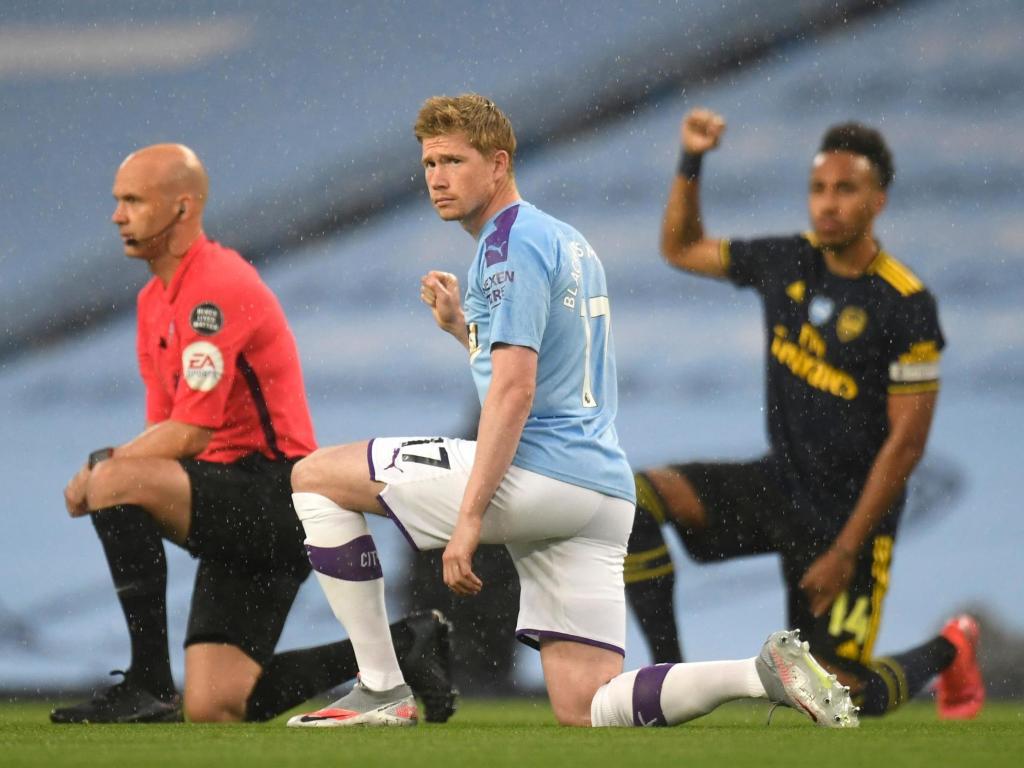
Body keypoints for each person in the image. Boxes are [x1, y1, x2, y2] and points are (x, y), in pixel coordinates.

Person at [285, 94, 856, 729]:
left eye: (454, 161)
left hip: (540, 474)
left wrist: (468, 519)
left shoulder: (506, 246)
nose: (437, 179)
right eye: (429, 164)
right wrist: (462, 329)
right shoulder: (566, 240)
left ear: (498, 164)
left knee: (315, 478)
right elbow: (546, 363)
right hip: (600, 492)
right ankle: (759, 673)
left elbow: (515, 391)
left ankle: (381, 686)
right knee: (587, 704)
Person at [52, 144, 456, 725]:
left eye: (134, 201)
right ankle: (405, 645)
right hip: (234, 507)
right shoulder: (152, 301)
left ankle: (147, 684)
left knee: (115, 481)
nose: (118, 215)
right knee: (216, 705)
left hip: (274, 494)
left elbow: (191, 432)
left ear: (182, 207)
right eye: (118, 201)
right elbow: (163, 432)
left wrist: (101, 469)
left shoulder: (214, 285)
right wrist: (112, 469)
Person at [623, 108, 984, 720]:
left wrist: (844, 550)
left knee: (835, 701)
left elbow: (906, 445)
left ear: (878, 201)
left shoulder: (906, 304)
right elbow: (679, 248)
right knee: (635, 499)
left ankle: (952, 647)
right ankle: (670, 682)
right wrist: (692, 159)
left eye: (846, 189)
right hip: (781, 485)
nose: (828, 203)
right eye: (819, 188)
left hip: (851, 517)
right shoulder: (787, 261)